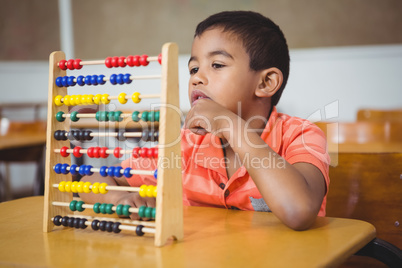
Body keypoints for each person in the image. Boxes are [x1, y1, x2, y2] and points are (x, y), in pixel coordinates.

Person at [79, 11, 330, 231]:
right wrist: (118, 198)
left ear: (266, 83)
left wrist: (230, 125)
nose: (197, 78)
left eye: (217, 64)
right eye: (193, 69)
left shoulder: (301, 135)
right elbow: (90, 181)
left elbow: (299, 211)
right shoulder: (185, 145)